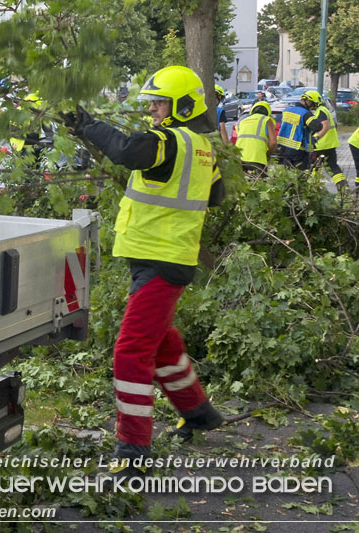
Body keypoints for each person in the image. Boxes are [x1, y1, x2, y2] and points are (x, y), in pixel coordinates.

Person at [62, 66, 225, 477]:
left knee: (129, 353)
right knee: (163, 344)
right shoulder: (202, 147)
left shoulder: (168, 142)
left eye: (158, 102)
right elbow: (217, 194)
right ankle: (200, 413)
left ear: (183, 106)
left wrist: (87, 125)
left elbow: (125, 150)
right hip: (166, 258)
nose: (152, 109)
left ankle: (133, 449)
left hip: (160, 261)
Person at [303, 90, 346, 191]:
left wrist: (316, 138)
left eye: (308, 101)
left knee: (313, 168)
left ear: (314, 101)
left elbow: (325, 126)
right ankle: (343, 188)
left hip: (320, 146)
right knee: (333, 167)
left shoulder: (320, 111)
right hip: (329, 145)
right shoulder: (324, 110)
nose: (306, 103)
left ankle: (312, 190)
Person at [276, 93, 323, 170]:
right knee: (301, 176)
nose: (312, 108)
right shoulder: (305, 114)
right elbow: (317, 126)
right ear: (308, 101)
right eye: (313, 105)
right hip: (299, 149)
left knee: (289, 173)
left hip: (284, 148)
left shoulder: (287, 110)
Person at [234, 101, 277, 175]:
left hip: (239, 157)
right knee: (259, 183)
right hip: (257, 158)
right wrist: (268, 154)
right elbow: (273, 142)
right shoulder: (266, 120)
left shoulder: (242, 121)